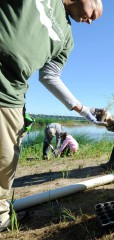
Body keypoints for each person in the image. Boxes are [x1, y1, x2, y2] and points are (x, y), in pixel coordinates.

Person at [0, 0, 103, 232]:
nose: (89, 22)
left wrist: (82, 109)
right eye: (93, 14)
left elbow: (49, 76)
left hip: (10, 94)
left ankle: (0, 216)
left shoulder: (67, 38)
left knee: (6, 161)